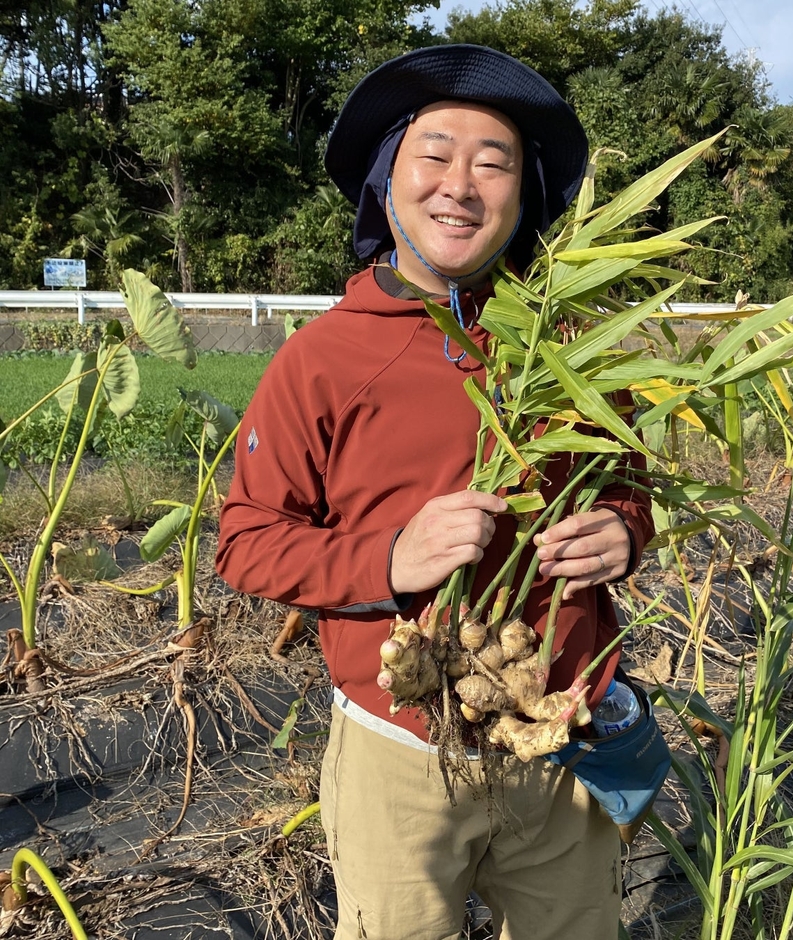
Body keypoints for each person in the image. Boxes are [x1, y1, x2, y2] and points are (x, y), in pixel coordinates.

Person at [215, 43, 654, 940]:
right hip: (402, 748)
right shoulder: (323, 358)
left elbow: (631, 486)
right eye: (435, 154)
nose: (462, 183)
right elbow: (246, 539)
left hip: (559, 732)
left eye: (493, 165)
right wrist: (389, 559)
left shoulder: (571, 350)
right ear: (386, 183)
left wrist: (624, 533)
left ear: (522, 200)